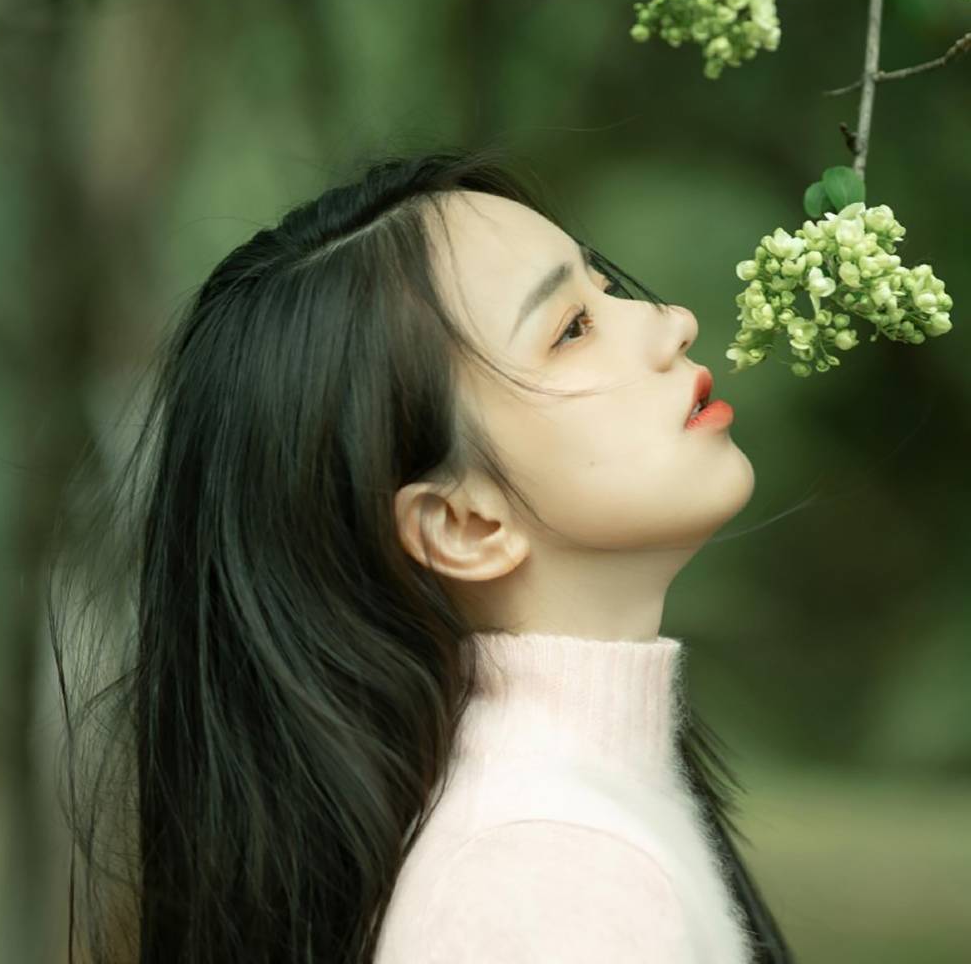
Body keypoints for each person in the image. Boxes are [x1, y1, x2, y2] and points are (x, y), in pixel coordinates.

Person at [49, 144, 796, 963]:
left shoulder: (570, 835)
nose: (672, 321)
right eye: (572, 329)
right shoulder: (544, 884)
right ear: (462, 525)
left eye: (603, 288)